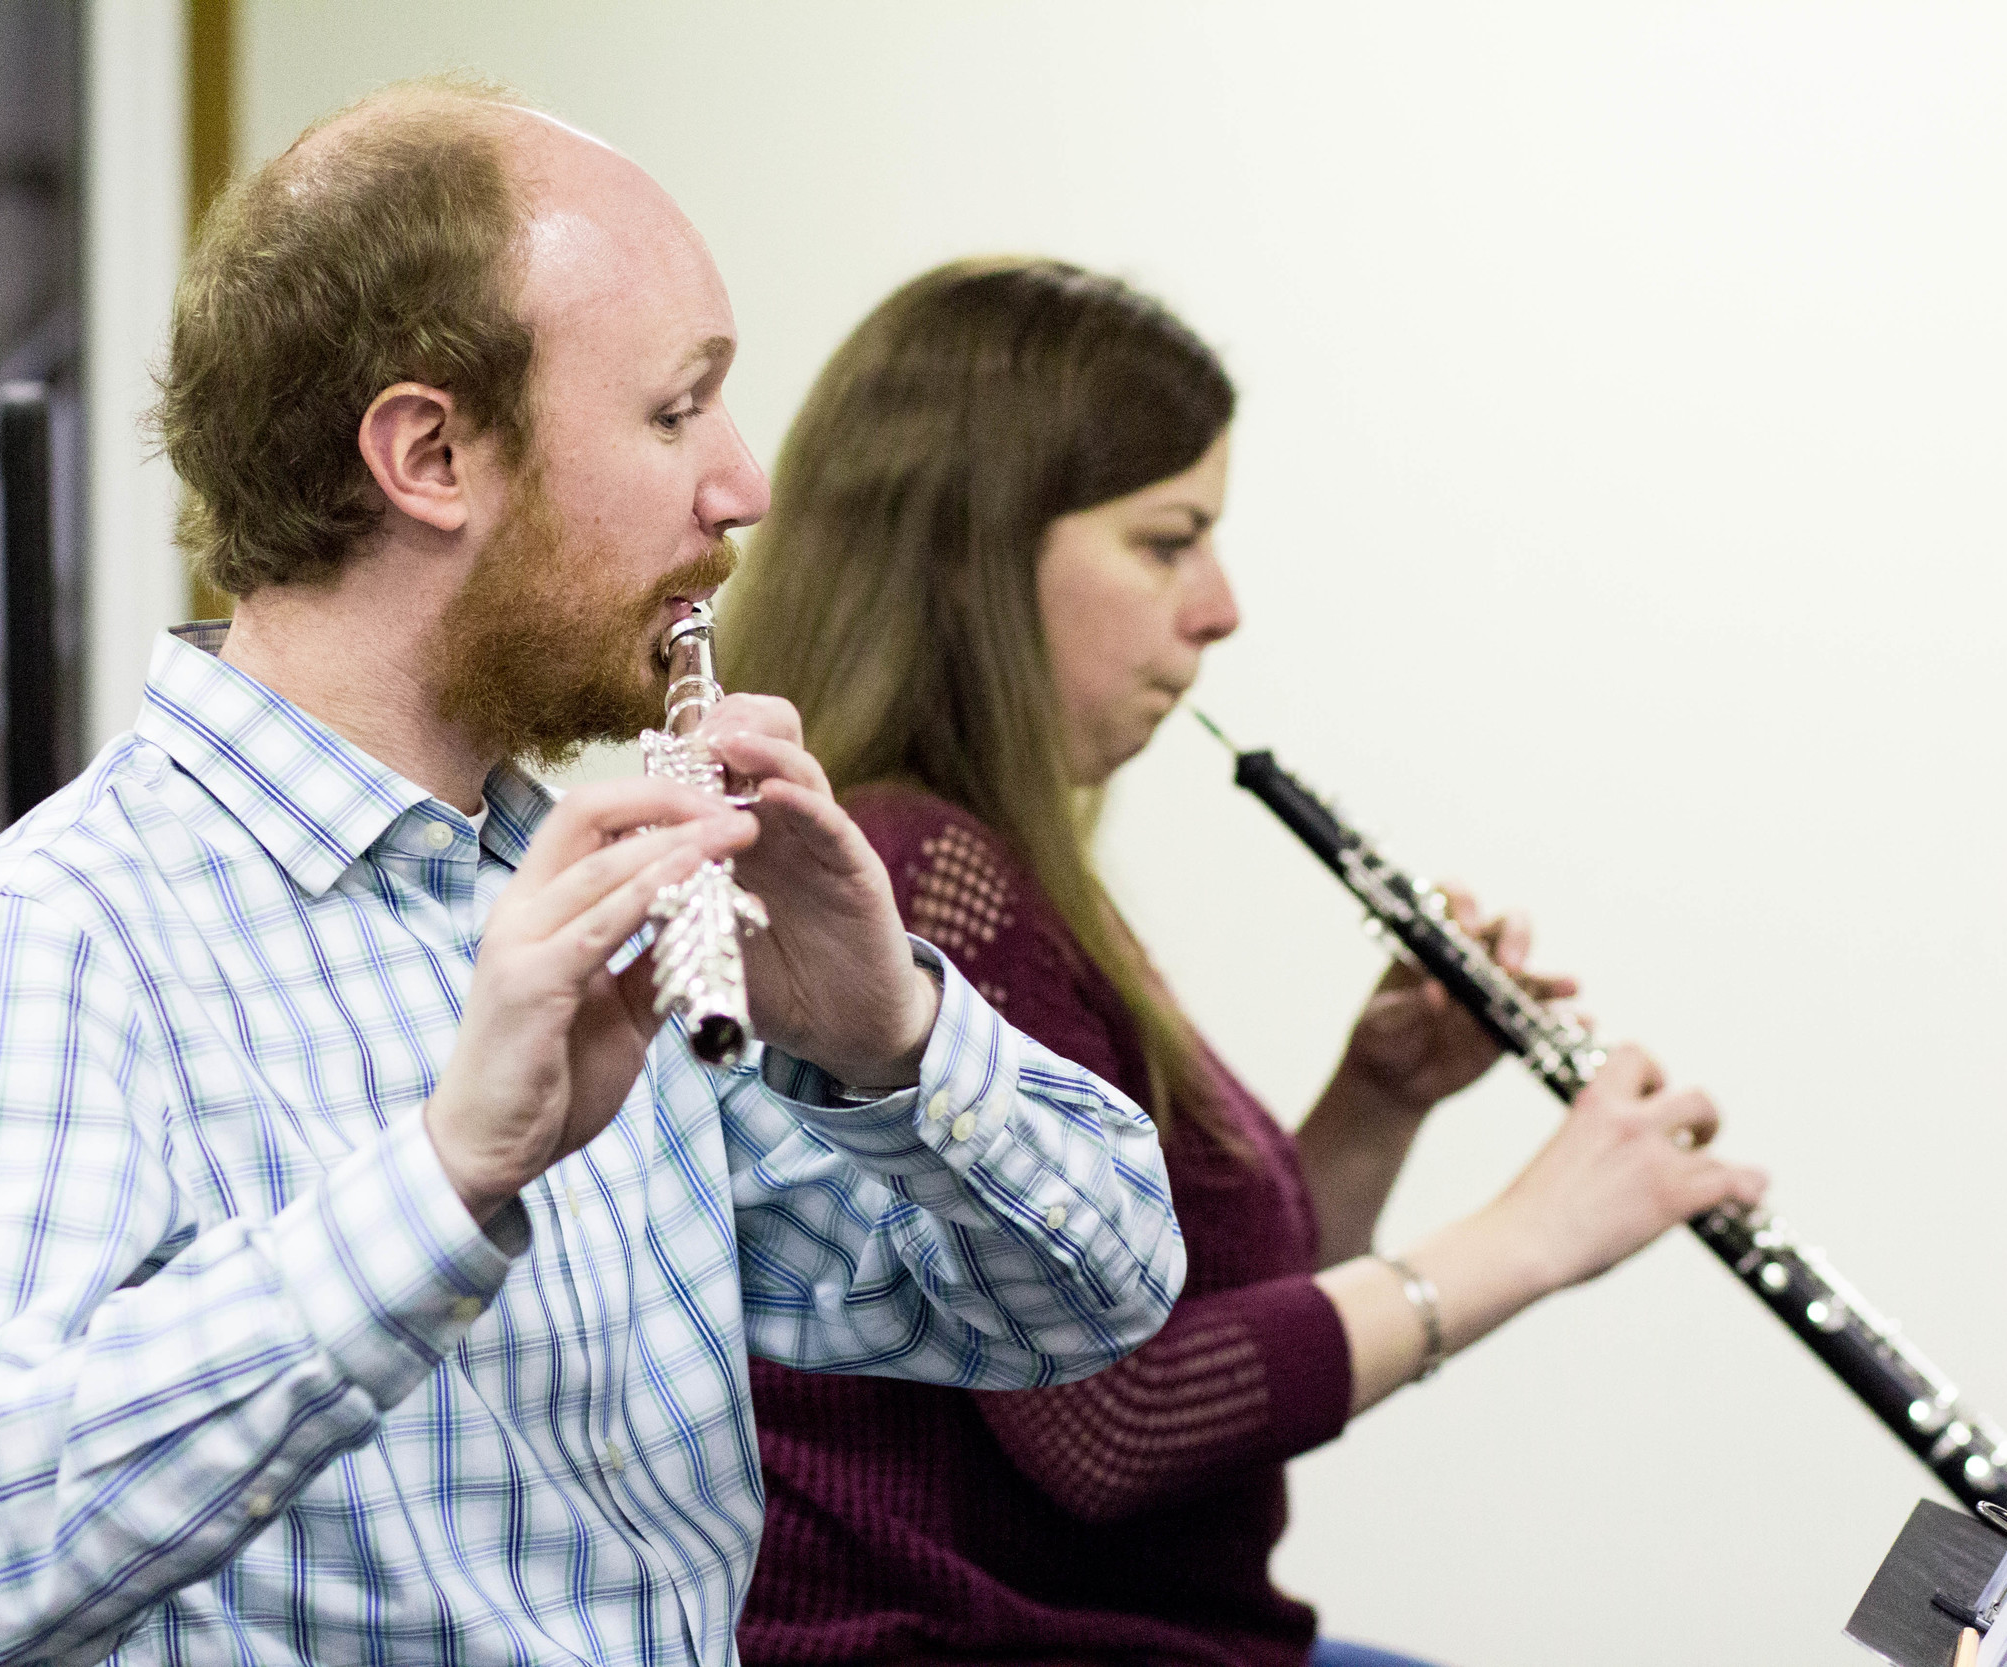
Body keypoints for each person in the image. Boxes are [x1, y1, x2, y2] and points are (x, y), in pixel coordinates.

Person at [0, 98, 1186, 1667]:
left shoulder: (582, 889)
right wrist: (443, 1182)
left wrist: (896, 1041)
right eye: (676, 414)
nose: (744, 488)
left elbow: (1091, 1303)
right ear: (432, 456)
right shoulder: (62, 941)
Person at [718, 258, 1767, 1667]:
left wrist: (1379, 1099)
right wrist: (1532, 1236)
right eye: (1168, 542)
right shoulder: (916, 880)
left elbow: (1193, 1319)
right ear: (979, 553)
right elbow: (1119, 1424)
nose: (1219, 608)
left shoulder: (986, 869)